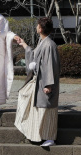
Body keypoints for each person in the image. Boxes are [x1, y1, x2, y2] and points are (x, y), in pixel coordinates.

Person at [14, 17, 60, 147]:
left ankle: (50, 138)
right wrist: (24, 45)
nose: (36, 28)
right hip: (39, 81)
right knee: (38, 108)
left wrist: (48, 85)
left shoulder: (49, 45)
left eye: (37, 26)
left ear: (40, 28)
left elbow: (50, 65)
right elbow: (34, 54)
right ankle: (39, 136)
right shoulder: (43, 42)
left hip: (45, 83)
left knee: (47, 110)